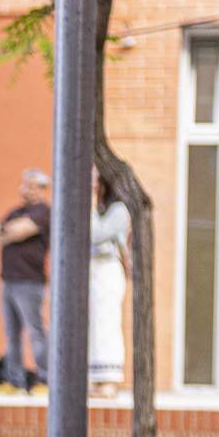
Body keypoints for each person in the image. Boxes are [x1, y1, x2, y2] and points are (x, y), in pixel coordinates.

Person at [0, 169, 51, 391]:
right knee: (11, 334)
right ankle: (13, 379)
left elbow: (19, 231)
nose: (24, 189)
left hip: (30, 282)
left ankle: (45, 378)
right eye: (24, 184)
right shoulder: (16, 211)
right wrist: (9, 230)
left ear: (41, 189)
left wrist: (9, 231)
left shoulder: (43, 212)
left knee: (35, 331)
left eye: (30, 185)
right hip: (8, 280)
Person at [89, 168, 129, 398]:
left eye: (95, 180)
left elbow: (96, 234)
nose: (92, 185)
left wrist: (91, 204)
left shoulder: (119, 211)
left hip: (108, 270)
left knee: (107, 323)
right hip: (93, 271)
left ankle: (110, 380)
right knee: (94, 325)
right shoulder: (99, 209)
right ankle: (96, 378)